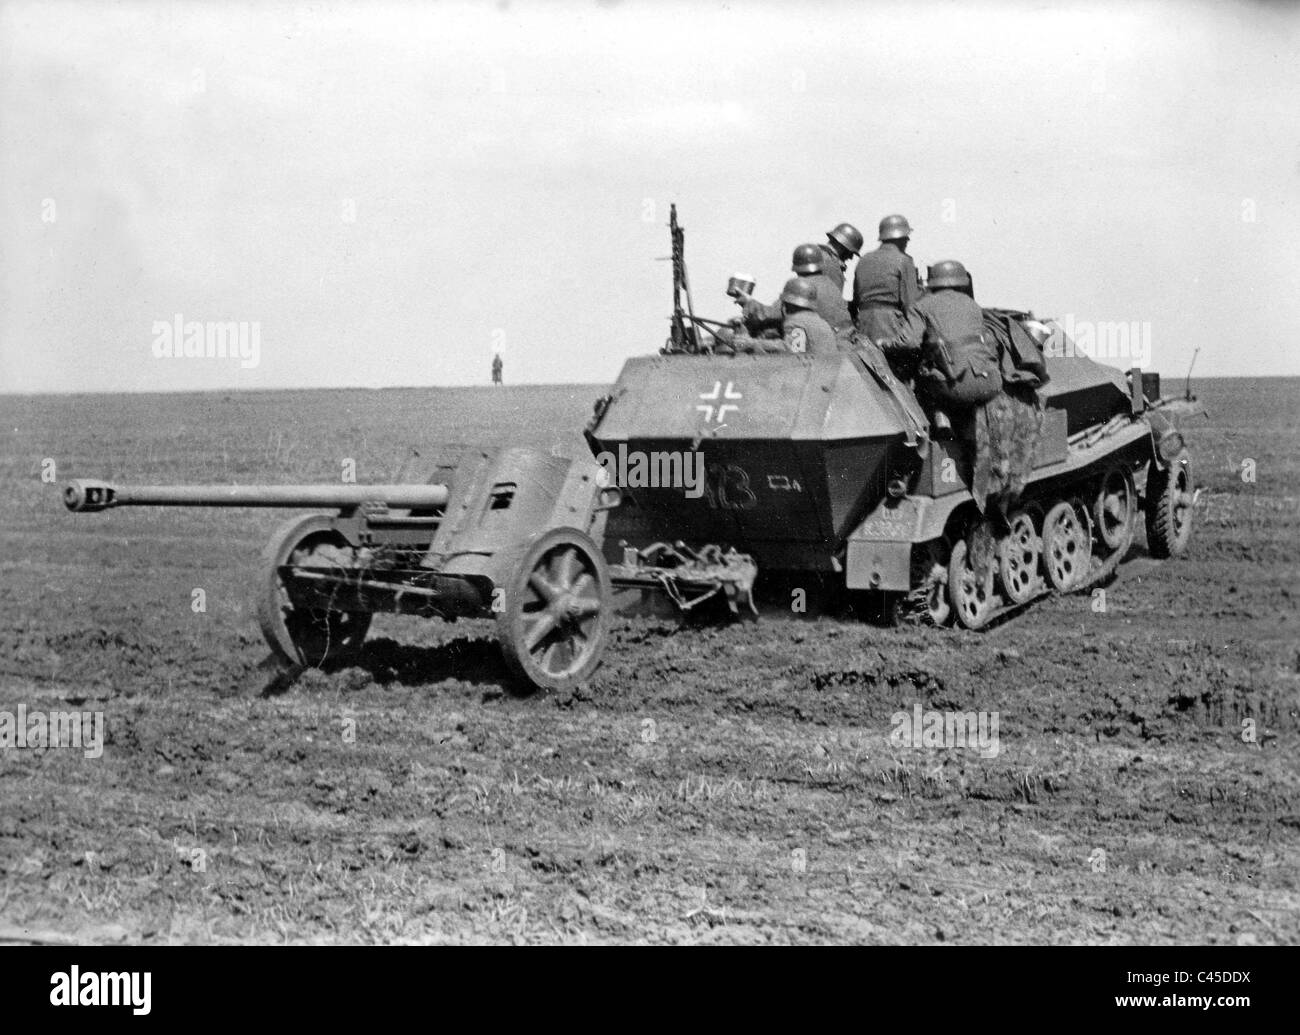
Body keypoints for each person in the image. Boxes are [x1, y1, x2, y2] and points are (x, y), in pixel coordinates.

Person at [736, 244, 853, 340]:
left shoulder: (803, 286)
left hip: (827, 347)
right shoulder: (829, 283)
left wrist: (747, 302)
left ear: (797, 266)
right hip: (846, 340)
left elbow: (769, 314)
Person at [851, 214, 922, 346]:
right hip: (891, 327)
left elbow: (856, 299)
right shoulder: (904, 260)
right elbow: (911, 305)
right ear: (902, 238)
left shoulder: (864, 260)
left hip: (863, 326)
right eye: (906, 238)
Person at [779, 279, 838, 355]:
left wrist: (761, 345)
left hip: (813, 365)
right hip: (830, 364)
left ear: (788, 302)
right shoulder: (820, 321)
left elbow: (793, 350)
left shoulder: (795, 322)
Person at [818, 222, 865, 292]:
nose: (851, 258)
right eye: (850, 253)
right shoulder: (831, 265)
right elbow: (832, 299)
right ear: (842, 246)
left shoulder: (816, 256)